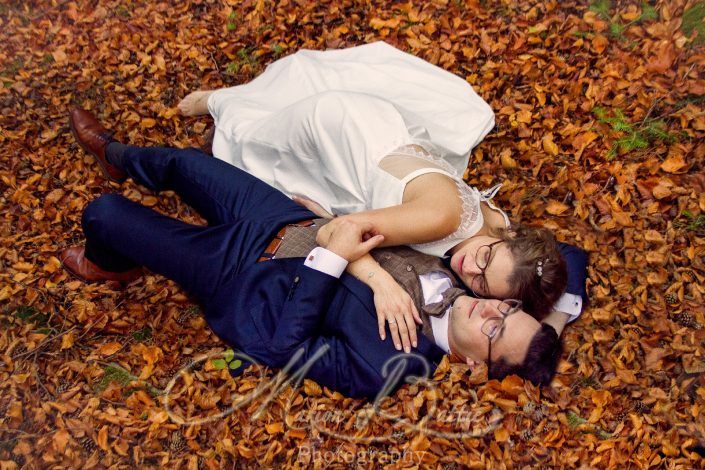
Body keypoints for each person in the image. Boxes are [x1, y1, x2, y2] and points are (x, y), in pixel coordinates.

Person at [60, 109, 565, 399]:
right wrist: (336, 232)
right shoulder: (462, 273)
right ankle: (117, 155)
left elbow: (284, 351)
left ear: (478, 367)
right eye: (509, 309)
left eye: (496, 331)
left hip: (240, 275)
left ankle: (110, 263)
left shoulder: (389, 364)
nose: (493, 310)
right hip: (284, 217)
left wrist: (331, 259)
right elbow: (567, 262)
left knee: (105, 215)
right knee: (183, 162)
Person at [178, 42, 584, 348]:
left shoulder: (506, 234)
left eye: (481, 284)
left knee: (285, 173)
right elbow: (341, 231)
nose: (468, 269)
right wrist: (382, 285)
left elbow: (564, 263)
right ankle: (219, 101)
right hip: (341, 132)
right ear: (509, 241)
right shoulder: (441, 217)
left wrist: (551, 327)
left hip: (375, 156)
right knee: (253, 139)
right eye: (484, 258)